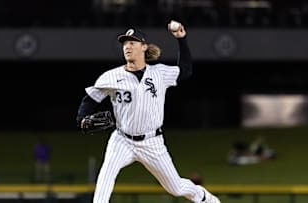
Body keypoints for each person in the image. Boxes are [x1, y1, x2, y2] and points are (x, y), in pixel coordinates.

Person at [76, 20, 221, 203]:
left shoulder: (159, 73)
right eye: (125, 43)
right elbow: (90, 98)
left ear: (144, 47)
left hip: (152, 142)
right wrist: (81, 119)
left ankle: (202, 196)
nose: (127, 47)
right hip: (122, 139)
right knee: (106, 176)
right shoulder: (111, 77)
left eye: (132, 42)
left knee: (175, 187)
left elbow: (185, 71)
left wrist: (181, 39)